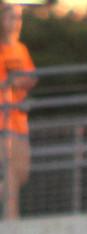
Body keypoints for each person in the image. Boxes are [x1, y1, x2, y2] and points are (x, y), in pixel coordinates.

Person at [1, 1, 37, 220]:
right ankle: (11, 223)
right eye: (10, 17)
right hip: (2, 125)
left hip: (19, 122)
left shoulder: (21, 49)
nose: (15, 23)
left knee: (21, 174)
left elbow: (30, 78)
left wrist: (20, 82)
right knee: (11, 175)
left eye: (18, 18)